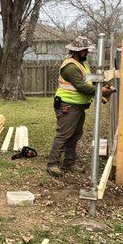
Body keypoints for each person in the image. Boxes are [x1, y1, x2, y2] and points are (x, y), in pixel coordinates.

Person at [46, 36, 113, 177]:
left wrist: (99, 85)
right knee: (64, 135)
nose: (87, 52)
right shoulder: (70, 67)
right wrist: (101, 91)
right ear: (78, 51)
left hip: (77, 106)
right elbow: (81, 87)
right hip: (67, 105)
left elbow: (87, 82)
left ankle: (69, 163)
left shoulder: (82, 64)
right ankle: (53, 164)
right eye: (85, 50)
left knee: (75, 135)